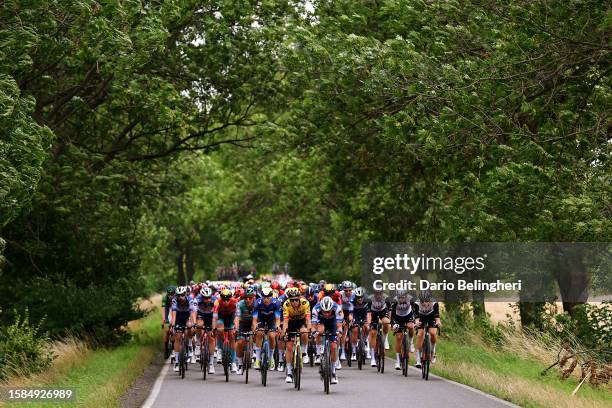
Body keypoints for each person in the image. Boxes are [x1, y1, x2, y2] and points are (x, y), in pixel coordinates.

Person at [281, 287, 312, 383]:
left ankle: (304, 352)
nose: (294, 302)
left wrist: (309, 330)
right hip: (291, 322)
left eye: (296, 300)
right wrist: (284, 332)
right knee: (289, 346)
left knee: (304, 332)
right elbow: (285, 321)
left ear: (299, 299)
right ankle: (289, 372)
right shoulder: (286, 304)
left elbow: (308, 319)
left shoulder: (305, 303)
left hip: (301, 321)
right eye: (292, 300)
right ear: (289, 300)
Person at [312, 296, 343, 384]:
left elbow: (339, 325)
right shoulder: (316, 308)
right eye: (324, 311)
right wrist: (314, 332)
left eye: (328, 311)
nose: (326, 313)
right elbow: (314, 325)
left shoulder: (337, 308)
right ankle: (318, 354)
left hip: (333, 323)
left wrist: (339, 331)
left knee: (333, 347)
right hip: (321, 322)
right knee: (319, 331)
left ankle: (333, 372)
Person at [251, 287, 281, 370]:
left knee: (271, 336)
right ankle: (257, 359)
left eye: (268, 298)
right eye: (264, 297)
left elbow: (278, 319)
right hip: (261, 319)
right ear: (261, 297)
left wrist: (277, 327)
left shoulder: (276, 303)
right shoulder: (257, 303)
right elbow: (254, 319)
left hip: (272, 319)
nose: (266, 300)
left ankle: (271, 358)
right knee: (259, 333)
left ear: (271, 297)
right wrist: (255, 328)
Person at [170, 286, 197, 372]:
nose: (180, 297)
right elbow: (173, 314)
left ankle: (189, 345)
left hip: (187, 316)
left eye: (182, 295)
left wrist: (194, 324)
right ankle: (177, 362)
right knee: (177, 337)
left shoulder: (190, 299)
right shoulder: (174, 300)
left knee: (189, 327)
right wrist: (173, 325)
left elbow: (192, 313)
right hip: (178, 317)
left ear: (185, 294)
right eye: (179, 295)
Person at [212, 288, 239, 373]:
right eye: (224, 299)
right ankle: (219, 349)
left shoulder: (235, 302)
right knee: (220, 329)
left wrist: (236, 328)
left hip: (231, 318)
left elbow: (237, 317)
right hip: (221, 318)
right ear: (221, 298)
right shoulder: (217, 302)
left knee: (232, 336)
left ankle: (234, 363)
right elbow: (215, 317)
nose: (226, 301)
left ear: (230, 298)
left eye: (228, 299)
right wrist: (213, 328)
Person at [414, 290, 441, 368]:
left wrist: (438, 323)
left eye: (427, 301)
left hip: (431, 317)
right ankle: (418, 358)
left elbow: (437, 317)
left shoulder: (435, 303)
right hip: (421, 318)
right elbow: (416, 318)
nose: (425, 303)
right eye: (422, 301)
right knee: (420, 335)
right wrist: (417, 323)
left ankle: (433, 352)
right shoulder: (416, 304)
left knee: (433, 333)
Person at [390, 290, 416, 370]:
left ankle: (411, 342)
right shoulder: (394, 301)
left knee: (411, 327)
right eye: (400, 298)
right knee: (398, 337)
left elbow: (416, 310)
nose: (401, 299)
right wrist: (393, 324)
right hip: (398, 318)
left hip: (408, 316)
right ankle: (397, 361)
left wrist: (416, 319)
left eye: (403, 298)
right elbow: (392, 316)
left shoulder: (410, 299)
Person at [194, 287, 216, 373]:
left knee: (211, 337)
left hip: (211, 316)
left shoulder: (214, 300)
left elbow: (218, 313)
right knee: (199, 325)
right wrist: (194, 321)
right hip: (201, 314)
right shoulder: (197, 299)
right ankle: (198, 343)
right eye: (205, 298)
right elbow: (194, 311)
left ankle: (211, 363)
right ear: (202, 297)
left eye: (209, 297)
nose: (207, 299)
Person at [234, 287, 256, 375]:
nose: (248, 300)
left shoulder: (257, 304)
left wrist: (254, 330)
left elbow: (256, 320)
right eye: (246, 298)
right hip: (243, 322)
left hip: (253, 322)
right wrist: (236, 328)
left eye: (250, 298)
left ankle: (254, 351)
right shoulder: (240, 304)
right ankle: (239, 364)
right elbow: (237, 318)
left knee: (254, 334)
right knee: (240, 342)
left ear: (253, 298)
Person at [368, 288, 390, 367]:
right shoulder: (370, 299)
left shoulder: (386, 298)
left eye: (380, 293)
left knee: (386, 323)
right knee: (373, 333)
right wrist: (369, 323)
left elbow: (389, 311)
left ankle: (385, 338)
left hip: (383, 312)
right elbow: (368, 314)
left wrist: (389, 321)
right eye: (377, 294)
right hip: (373, 314)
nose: (378, 295)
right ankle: (373, 358)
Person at [350, 287, 371, 360]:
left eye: (361, 297)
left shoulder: (367, 300)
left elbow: (369, 314)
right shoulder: (352, 300)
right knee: (355, 330)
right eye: (358, 297)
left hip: (364, 313)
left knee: (367, 327)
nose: (360, 299)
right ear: (355, 296)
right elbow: (350, 314)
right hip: (355, 314)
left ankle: (365, 341)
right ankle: (353, 351)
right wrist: (351, 320)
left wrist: (368, 322)